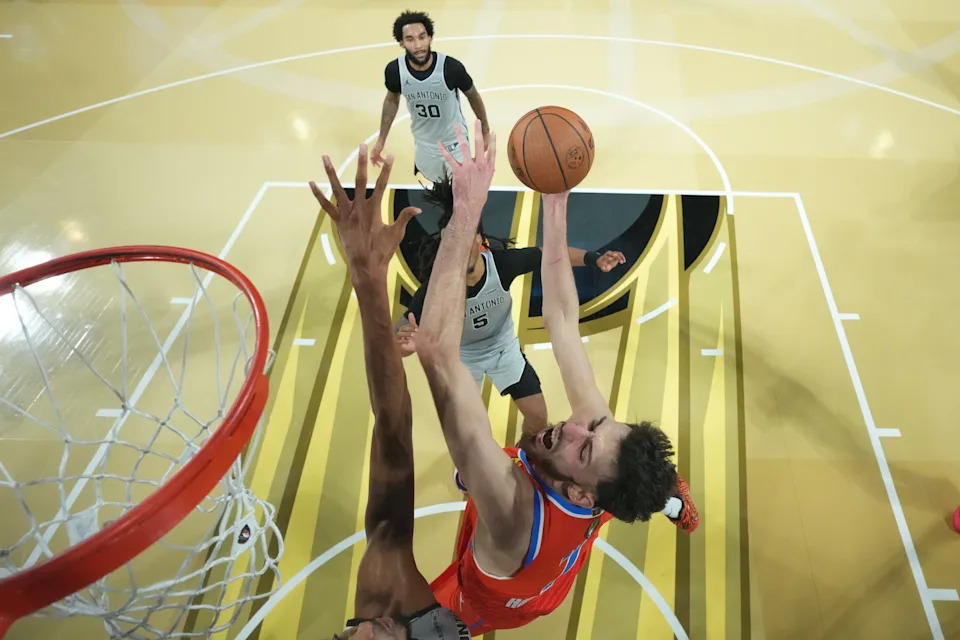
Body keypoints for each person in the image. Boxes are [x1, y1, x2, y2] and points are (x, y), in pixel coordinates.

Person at [414, 121, 700, 635]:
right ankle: (668, 497)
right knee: (627, 485)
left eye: (584, 446)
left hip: (502, 601)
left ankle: (665, 497)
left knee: (414, 625)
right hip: (577, 515)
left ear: (582, 493)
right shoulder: (597, 461)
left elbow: (437, 352)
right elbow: (563, 317)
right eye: (595, 426)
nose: (574, 424)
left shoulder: (509, 508)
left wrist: (466, 215)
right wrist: (555, 197)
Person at [310, 146, 470, 640]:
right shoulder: (398, 604)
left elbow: (393, 430)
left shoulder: (381, 593)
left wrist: (368, 282)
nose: (354, 634)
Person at [395, 176, 626, 435]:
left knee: (538, 417)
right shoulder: (436, 288)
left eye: (466, 238)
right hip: (462, 356)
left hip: (502, 347)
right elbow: (400, 335)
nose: (460, 248)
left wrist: (594, 259)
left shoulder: (502, 264)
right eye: (453, 241)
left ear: (479, 240)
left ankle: (523, 455)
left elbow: (549, 254)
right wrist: (402, 345)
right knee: (465, 430)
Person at [371, 10, 490, 182]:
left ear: (430, 38)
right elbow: (391, 99)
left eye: (422, 37)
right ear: (401, 43)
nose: (418, 45)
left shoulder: (451, 68)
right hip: (424, 144)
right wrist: (381, 140)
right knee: (432, 189)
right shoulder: (395, 71)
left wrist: (485, 130)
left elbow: (473, 96)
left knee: (462, 189)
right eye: (410, 39)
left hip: (454, 143)